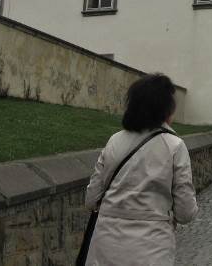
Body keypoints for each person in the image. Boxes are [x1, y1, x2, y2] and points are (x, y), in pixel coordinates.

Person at [83, 73, 197, 265]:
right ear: (166, 110)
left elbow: (91, 199)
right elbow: (185, 212)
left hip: (105, 247)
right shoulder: (174, 146)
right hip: (151, 249)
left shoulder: (114, 141)